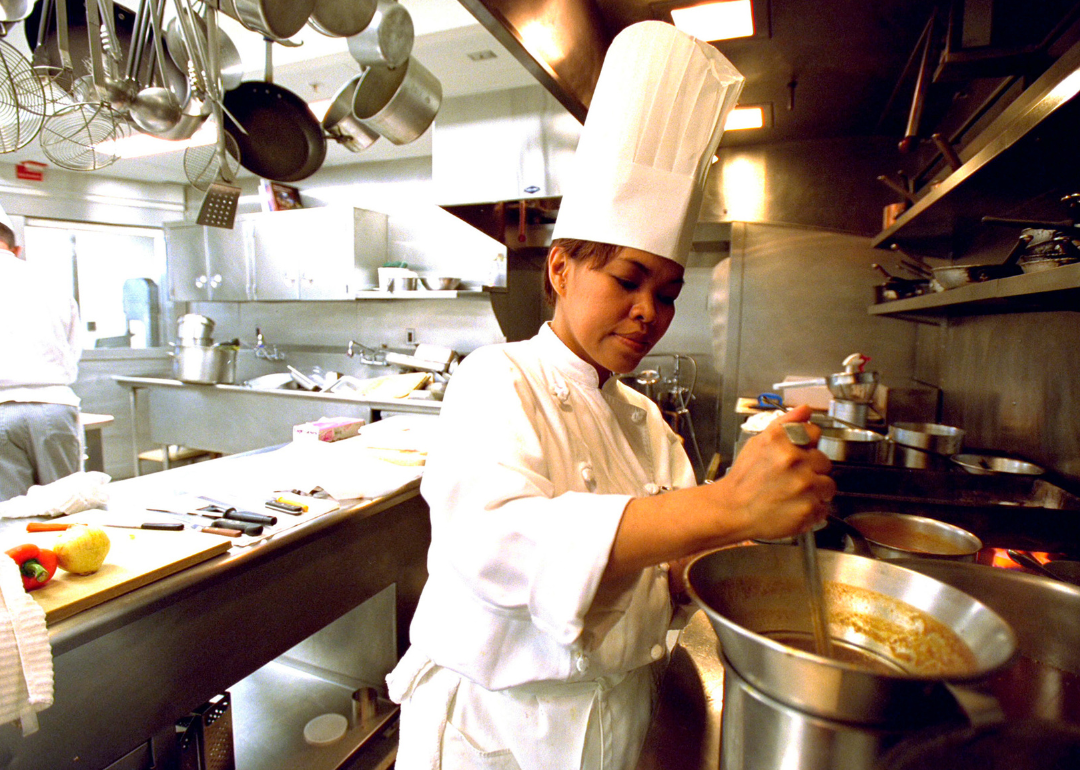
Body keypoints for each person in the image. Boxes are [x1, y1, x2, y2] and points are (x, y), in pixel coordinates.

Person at [386, 21, 836, 770]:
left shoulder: (645, 420)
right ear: (561, 268)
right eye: (627, 281)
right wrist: (724, 505)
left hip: (614, 728)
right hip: (496, 738)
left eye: (666, 294)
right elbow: (495, 549)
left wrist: (726, 551)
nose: (648, 314)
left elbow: (662, 577)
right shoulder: (497, 379)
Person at [0, 221, 84, 501]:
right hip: (54, 405)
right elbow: (73, 346)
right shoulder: (49, 280)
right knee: (66, 508)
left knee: (9, 514)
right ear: (17, 248)